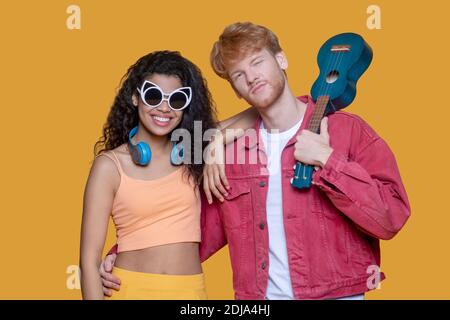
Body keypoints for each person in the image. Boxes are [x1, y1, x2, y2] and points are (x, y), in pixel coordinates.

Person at [100, 22, 411, 300]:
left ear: (281, 59)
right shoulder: (233, 154)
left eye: (257, 62)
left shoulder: (347, 130)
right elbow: (195, 228)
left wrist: (327, 161)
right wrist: (124, 253)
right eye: (239, 74)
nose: (251, 77)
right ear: (235, 89)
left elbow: (391, 217)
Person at [80, 50, 222, 300]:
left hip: (190, 292)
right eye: (154, 96)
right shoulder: (109, 166)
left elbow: (255, 117)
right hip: (131, 289)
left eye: (177, 99)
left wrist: (218, 138)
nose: (165, 108)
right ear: (136, 98)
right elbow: (89, 261)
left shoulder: (193, 153)